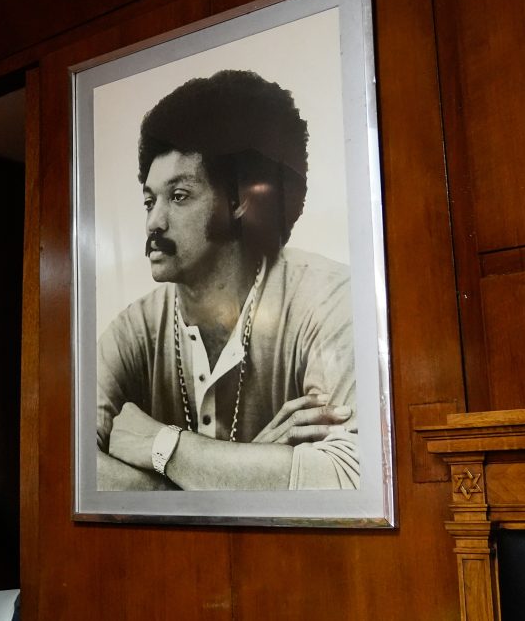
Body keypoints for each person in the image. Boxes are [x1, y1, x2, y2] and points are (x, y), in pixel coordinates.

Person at [96, 70, 358, 491]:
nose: (153, 222)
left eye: (178, 196)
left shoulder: (327, 297)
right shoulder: (132, 331)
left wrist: (162, 446)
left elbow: (350, 476)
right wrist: (227, 476)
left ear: (239, 200)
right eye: (149, 200)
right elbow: (70, 468)